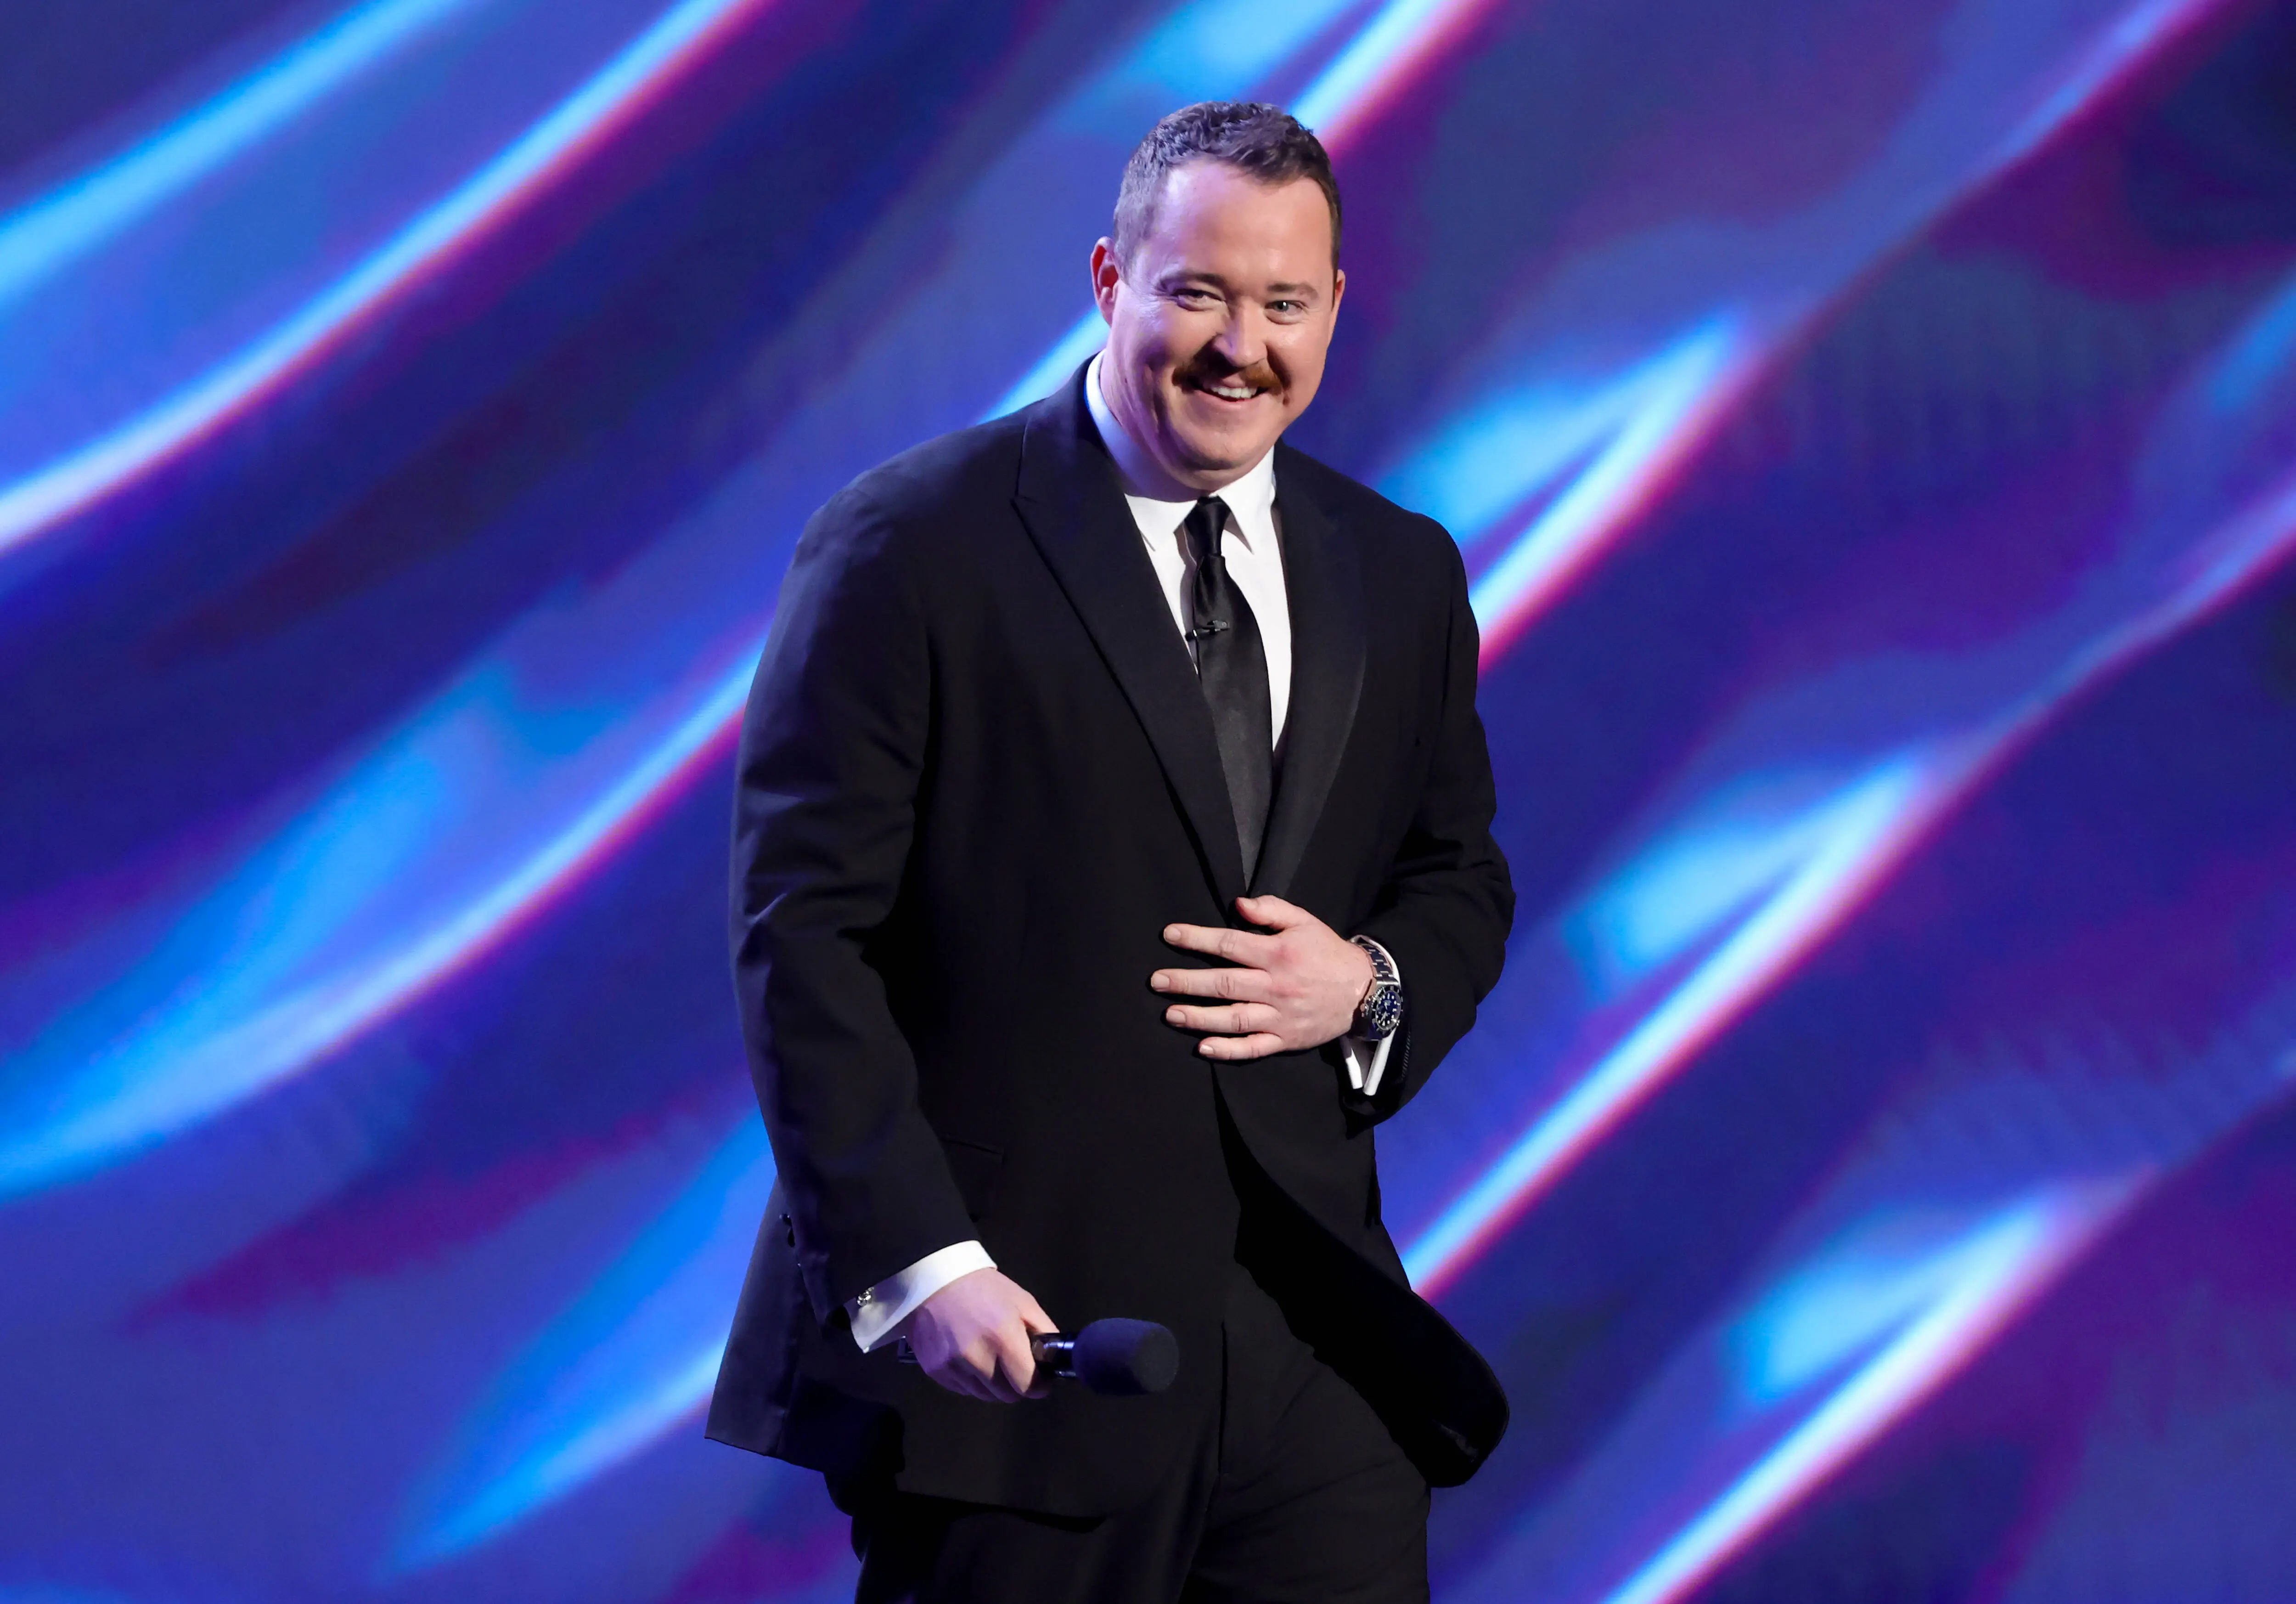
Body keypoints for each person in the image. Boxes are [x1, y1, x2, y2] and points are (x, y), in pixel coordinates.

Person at [707, 100, 1513, 1603]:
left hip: (1314, 1355)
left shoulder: (1398, 569)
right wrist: (925, 1265)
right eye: (1199, 292)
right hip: (1027, 1345)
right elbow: (804, 938)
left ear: (1337, 306)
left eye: (1284, 303)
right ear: (1108, 280)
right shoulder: (910, 545)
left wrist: (1370, 983)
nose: (1241, 347)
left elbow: (1456, 873)